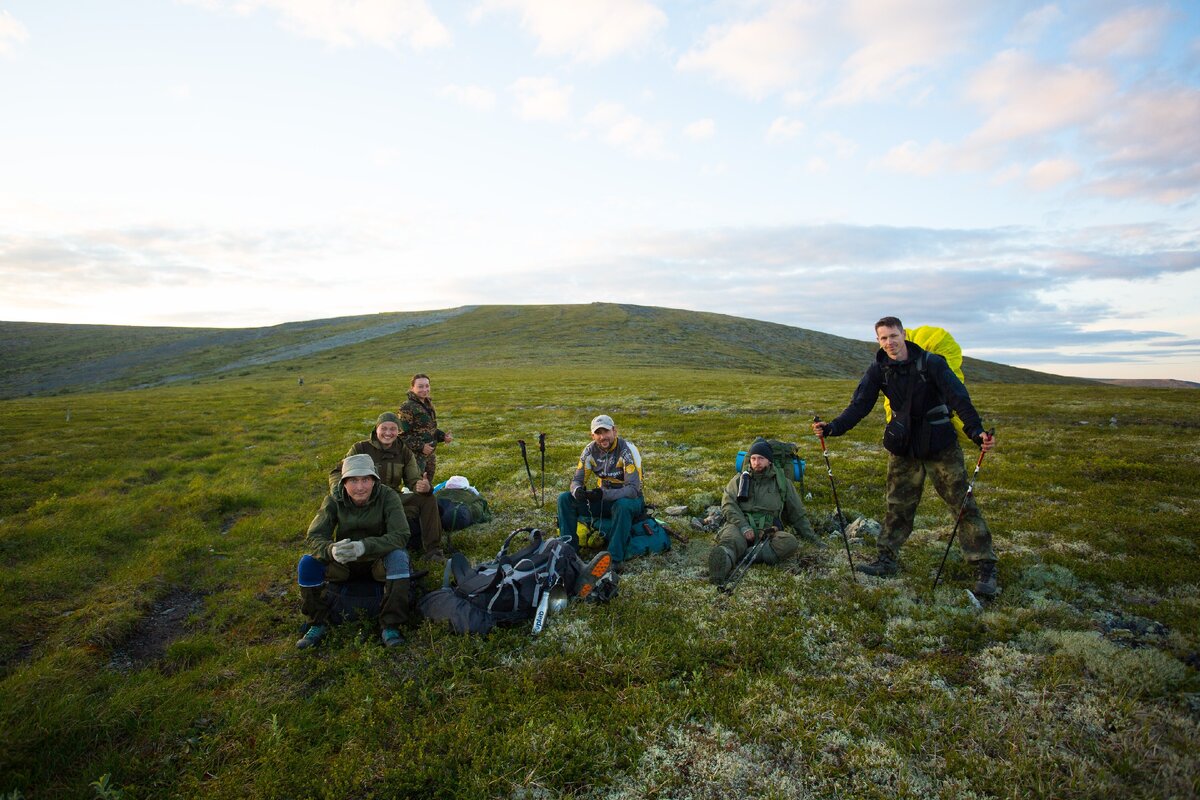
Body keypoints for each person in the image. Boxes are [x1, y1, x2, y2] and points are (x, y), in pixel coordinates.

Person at [812, 316, 999, 597]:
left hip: (940, 446)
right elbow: (859, 405)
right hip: (903, 448)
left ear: (904, 335)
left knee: (962, 505)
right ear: (878, 340)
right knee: (897, 505)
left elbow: (959, 398)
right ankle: (886, 558)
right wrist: (833, 427)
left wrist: (976, 432)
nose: (889, 343)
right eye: (883, 338)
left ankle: (984, 565)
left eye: (893, 336)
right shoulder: (879, 369)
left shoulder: (932, 363)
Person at [296, 453, 413, 650]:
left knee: (399, 558)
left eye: (366, 479)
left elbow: (401, 535)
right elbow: (313, 537)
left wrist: (364, 547)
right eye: (353, 480)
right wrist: (331, 550)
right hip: (344, 563)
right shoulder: (334, 499)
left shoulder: (388, 496)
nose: (360, 487)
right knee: (307, 563)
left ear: (374, 480)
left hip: (378, 560)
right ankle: (317, 622)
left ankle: (391, 624)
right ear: (344, 482)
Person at [330, 412, 446, 561]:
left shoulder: (404, 451)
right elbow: (337, 471)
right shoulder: (360, 448)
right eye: (384, 428)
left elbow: (413, 479)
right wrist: (339, 490)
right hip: (364, 497)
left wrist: (422, 486)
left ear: (398, 431)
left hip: (393, 499)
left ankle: (433, 551)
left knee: (428, 499)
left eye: (393, 429)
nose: (388, 433)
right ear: (376, 429)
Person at [708, 438, 822, 584]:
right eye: (753, 459)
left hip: (768, 531)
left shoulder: (783, 482)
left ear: (769, 461)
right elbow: (728, 505)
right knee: (730, 541)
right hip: (739, 526)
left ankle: (750, 554)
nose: (756, 462)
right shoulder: (738, 480)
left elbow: (798, 514)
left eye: (761, 458)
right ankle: (720, 569)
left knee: (789, 542)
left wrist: (812, 538)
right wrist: (743, 526)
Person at [556, 414, 644, 563]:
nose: (602, 437)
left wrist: (603, 494)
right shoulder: (589, 451)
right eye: (598, 433)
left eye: (606, 432)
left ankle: (613, 560)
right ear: (592, 435)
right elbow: (577, 480)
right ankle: (569, 553)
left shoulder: (628, 450)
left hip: (630, 501)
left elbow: (633, 490)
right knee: (564, 499)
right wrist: (577, 491)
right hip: (604, 499)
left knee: (621, 505)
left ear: (614, 431)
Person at [398, 373, 453, 481]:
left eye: (427, 386)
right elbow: (401, 435)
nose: (425, 389)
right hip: (415, 456)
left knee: (427, 487)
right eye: (420, 386)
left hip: (430, 455)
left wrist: (443, 436)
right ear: (412, 388)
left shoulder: (427, 404)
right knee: (415, 486)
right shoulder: (407, 407)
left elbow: (429, 429)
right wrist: (421, 446)